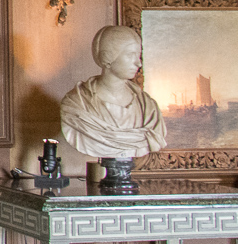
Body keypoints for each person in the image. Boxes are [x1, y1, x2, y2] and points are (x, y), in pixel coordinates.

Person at [59, 25, 166, 159]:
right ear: (107, 58)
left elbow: (155, 135)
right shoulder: (76, 104)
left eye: (138, 55)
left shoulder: (148, 107)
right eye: (130, 55)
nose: (138, 63)